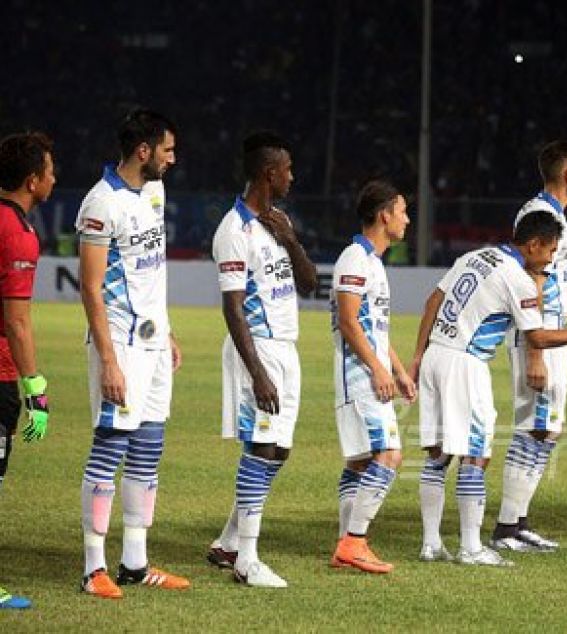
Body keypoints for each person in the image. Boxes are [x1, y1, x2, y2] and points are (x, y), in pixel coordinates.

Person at [410, 210, 567, 567]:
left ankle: (431, 543)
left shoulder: (476, 255)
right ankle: (471, 547)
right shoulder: (516, 278)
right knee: (476, 454)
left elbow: (432, 303)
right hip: (466, 364)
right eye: (550, 251)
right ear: (532, 245)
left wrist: (417, 357)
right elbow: (538, 336)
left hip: (435, 356)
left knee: (438, 454)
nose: (550, 260)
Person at [75, 109, 189, 599]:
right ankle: (92, 567)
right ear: (143, 151)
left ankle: (135, 564)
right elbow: (91, 288)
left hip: (154, 344)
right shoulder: (101, 204)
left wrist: (167, 331)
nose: (172, 158)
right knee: (110, 447)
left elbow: (150, 272)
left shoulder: (154, 193)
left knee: (148, 448)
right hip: (119, 344)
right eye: (167, 150)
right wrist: (109, 360)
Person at [206, 131, 318, 588]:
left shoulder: (278, 221)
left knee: (280, 449)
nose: (293, 176)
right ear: (269, 173)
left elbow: (309, 284)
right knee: (262, 446)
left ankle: (230, 540)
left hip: (286, 347)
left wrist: (290, 240)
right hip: (258, 349)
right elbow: (233, 309)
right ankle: (246, 561)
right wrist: (258, 374)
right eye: (288, 169)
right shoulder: (233, 231)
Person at [491, 140, 567, 553]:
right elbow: (531, 284)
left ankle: (518, 522)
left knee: (548, 429)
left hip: (550, 334)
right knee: (535, 425)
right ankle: (507, 527)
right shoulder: (540, 216)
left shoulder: (554, 216)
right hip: (537, 336)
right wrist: (536, 353)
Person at [329, 180, 415, 574]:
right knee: (389, 455)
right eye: (402, 211)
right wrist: (379, 369)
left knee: (362, 461)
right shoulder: (354, 258)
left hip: (372, 372)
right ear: (384, 216)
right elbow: (348, 322)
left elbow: (374, 329)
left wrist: (397, 369)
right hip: (359, 375)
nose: (407, 219)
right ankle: (354, 541)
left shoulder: (374, 263)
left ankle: (347, 542)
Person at [0, 131, 56, 610]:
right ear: (32, 179)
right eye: (51, 170)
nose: (54, 178)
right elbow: (16, 321)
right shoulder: (17, 233)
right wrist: (34, 387)